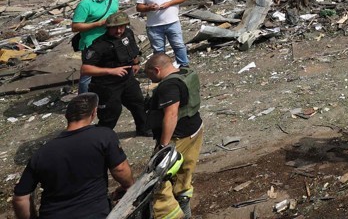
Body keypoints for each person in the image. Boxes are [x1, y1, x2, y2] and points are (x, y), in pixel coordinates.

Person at [12, 93, 134, 219]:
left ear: (66, 116)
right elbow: (120, 169)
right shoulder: (104, 137)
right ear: (94, 113)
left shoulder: (41, 153)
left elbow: (20, 198)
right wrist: (129, 187)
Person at [143, 53, 204, 219]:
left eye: (149, 75)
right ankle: (184, 203)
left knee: (157, 183)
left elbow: (171, 114)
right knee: (183, 174)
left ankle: (171, 214)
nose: (149, 80)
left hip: (177, 137)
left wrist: (163, 148)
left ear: (156, 70)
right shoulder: (185, 73)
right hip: (194, 129)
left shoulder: (168, 87)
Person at [80, 12, 150, 135]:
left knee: (138, 103)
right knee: (111, 114)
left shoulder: (128, 34)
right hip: (107, 85)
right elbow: (85, 69)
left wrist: (136, 63)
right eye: (115, 28)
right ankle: (102, 138)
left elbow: (132, 50)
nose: (119, 31)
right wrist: (111, 71)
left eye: (122, 27)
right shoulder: (99, 45)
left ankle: (143, 129)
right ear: (108, 28)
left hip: (127, 79)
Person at [71, 0, 118, 95]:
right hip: (91, 43)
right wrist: (98, 24)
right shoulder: (85, 4)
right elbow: (75, 27)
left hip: (111, 41)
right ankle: (84, 101)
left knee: (109, 70)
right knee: (88, 75)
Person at [136, 0, 190, 69]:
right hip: (154, 26)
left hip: (172, 22)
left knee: (178, 45)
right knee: (158, 50)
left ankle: (184, 66)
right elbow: (138, 7)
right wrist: (149, 7)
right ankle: (163, 69)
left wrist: (169, 3)